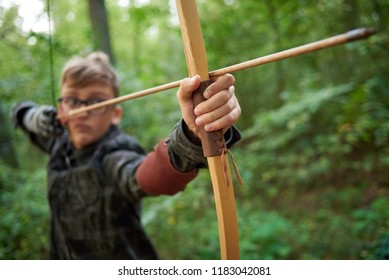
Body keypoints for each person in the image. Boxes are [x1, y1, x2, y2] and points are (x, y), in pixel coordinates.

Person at [11, 52, 241, 260]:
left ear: (115, 113)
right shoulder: (58, 142)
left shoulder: (114, 153)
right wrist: (32, 116)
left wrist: (193, 133)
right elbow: (18, 112)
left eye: (96, 102)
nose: (81, 112)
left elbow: (146, 175)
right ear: (60, 111)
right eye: (71, 100)